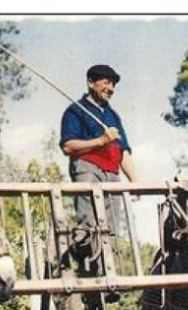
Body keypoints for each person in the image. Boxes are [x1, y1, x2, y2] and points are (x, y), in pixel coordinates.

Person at [60, 64, 136, 253]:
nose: (110, 88)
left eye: (113, 84)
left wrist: (135, 182)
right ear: (90, 83)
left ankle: (108, 275)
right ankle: (84, 267)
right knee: (89, 227)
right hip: (87, 168)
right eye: (106, 82)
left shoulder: (113, 116)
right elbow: (68, 146)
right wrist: (101, 140)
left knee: (111, 231)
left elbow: (123, 151)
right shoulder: (75, 111)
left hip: (112, 174)